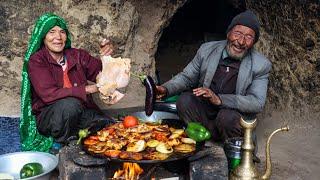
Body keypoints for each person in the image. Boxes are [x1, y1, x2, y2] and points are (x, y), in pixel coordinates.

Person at [156, 10, 272, 143]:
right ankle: (199, 139)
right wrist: (165, 89)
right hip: (206, 113)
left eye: (249, 37)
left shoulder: (261, 65)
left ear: (254, 42)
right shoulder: (207, 50)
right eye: (238, 33)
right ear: (228, 33)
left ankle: (232, 148)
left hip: (230, 116)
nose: (241, 41)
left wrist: (220, 100)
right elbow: (187, 77)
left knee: (226, 117)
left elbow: (257, 102)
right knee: (185, 100)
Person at [20, 13, 114, 152]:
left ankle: (75, 137)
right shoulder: (37, 60)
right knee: (70, 105)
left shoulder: (77, 55)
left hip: (79, 113)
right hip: (51, 117)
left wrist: (106, 58)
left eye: (62, 32)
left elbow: (104, 75)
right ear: (43, 36)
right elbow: (48, 94)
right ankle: (59, 145)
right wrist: (87, 89)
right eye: (52, 32)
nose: (58, 37)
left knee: (108, 126)